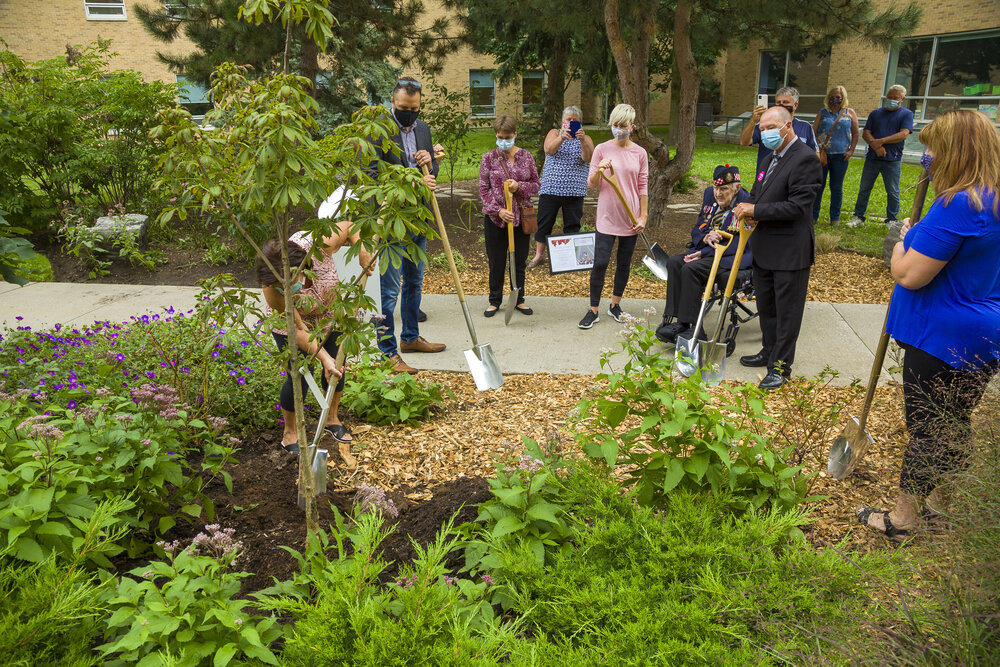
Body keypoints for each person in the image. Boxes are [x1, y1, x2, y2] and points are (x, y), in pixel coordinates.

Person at [857, 110, 1000, 539]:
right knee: (954, 421)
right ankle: (942, 507)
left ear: (956, 151)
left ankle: (903, 520)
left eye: (935, 147)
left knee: (926, 428)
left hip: (941, 337)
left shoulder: (958, 203)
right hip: (982, 335)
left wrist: (904, 240)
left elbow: (908, 274)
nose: (928, 156)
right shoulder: (992, 198)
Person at [257, 223, 374, 466]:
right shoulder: (272, 289)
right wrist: (322, 358)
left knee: (336, 367)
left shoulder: (319, 243)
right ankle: (290, 432)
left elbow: (351, 225)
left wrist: (362, 249)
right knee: (299, 374)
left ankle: (332, 419)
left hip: (332, 313)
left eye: (293, 279)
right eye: (284, 285)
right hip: (293, 325)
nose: (291, 287)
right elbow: (299, 330)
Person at [733, 106, 823, 390]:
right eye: (761, 128)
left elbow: (798, 206)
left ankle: (781, 367)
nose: (765, 133)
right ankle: (768, 351)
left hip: (789, 252)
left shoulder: (806, 159)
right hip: (764, 248)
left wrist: (755, 208)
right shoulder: (770, 158)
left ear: (788, 125)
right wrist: (746, 207)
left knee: (787, 312)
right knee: (767, 307)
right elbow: (759, 194)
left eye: (770, 127)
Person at [371, 77, 446, 374]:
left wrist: (431, 162)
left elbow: (431, 171)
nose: (409, 114)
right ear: (392, 103)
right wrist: (415, 177)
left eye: (414, 108)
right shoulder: (378, 132)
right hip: (389, 220)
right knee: (388, 291)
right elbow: (370, 174)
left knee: (415, 282)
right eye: (403, 108)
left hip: (418, 218)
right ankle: (387, 352)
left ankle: (411, 337)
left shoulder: (423, 129)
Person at [655, 164, 752, 343]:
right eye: (716, 188)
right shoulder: (709, 195)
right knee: (674, 263)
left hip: (730, 257)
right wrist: (706, 236)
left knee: (690, 269)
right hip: (708, 250)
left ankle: (695, 330)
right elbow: (699, 226)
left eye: (723, 189)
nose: (718, 194)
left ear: (736, 188)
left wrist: (703, 253)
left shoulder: (746, 204)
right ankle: (677, 323)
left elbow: (740, 243)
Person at [578, 103, 648, 329]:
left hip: (631, 218)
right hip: (607, 217)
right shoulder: (601, 149)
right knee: (600, 263)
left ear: (632, 126)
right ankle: (593, 309)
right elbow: (592, 184)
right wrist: (599, 169)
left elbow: (642, 186)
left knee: (624, 263)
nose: (618, 129)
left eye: (623, 125)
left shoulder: (640, 153)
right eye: (615, 125)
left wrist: (643, 216)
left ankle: (615, 305)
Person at [478, 114, 541, 317]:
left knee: (519, 261)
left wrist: (519, 186)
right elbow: (483, 190)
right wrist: (499, 210)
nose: (503, 140)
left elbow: (536, 186)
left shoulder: (527, 157)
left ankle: (518, 299)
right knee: (496, 261)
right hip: (496, 221)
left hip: (521, 219)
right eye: (499, 136)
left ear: (515, 134)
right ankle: (494, 300)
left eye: (507, 136)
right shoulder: (488, 158)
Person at [528, 105, 594, 268]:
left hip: (575, 190)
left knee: (573, 223)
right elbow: (548, 149)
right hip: (551, 188)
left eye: (575, 120)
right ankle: (539, 256)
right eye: (568, 119)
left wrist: (582, 140)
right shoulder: (554, 133)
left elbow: (588, 158)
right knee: (544, 222)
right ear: (562, 121)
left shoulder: (586, 138)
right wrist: (562, 137)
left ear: (580, 123)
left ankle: (572, 260)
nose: (571, 122)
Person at [847, 84, 914, 227]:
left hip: (892, 159)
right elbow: (866, 133)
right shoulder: (876, 113)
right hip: (872, 158)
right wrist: (876, 146)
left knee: (892, 191)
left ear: (902, 99)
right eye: (889, 97)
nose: (891, 100)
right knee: (864, 188)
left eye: (895, 98)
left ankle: (892, 219)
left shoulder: (906, 114)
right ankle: (858, 217)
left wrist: (881, 141)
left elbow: (904, 134)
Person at [740, 87, 818, 174]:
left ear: (795, 105)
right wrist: (754, 120)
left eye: (786, 102)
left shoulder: (805, 127)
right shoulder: (764, 125)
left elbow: (815, 155)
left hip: (794, 177)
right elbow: (744, 142)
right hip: (767, 176)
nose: (782, 105)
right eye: (778, 102)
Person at [811, 85, 859, 225]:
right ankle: (813, 216)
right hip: (823, 154)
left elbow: (856, 133)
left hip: (841, 155)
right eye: (832, 97)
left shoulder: (849, 113)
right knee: (818, 185)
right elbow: (813, 131)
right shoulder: (822, 112)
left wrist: (851, 150)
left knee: (836, 187)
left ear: (843, 98)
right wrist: (817, 149)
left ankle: (835, 218)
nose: (835, 100)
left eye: (838, 97)